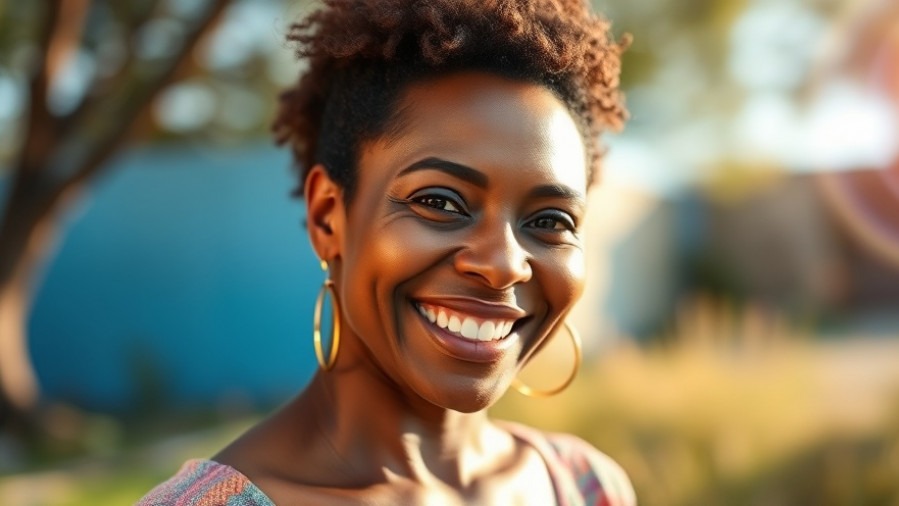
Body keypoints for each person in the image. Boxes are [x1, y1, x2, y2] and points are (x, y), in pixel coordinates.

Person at [138, 0, 634, 504]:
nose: (504, 265)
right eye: (440, 202)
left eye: (550, 221)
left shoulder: (586, 485)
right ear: (329, 217)